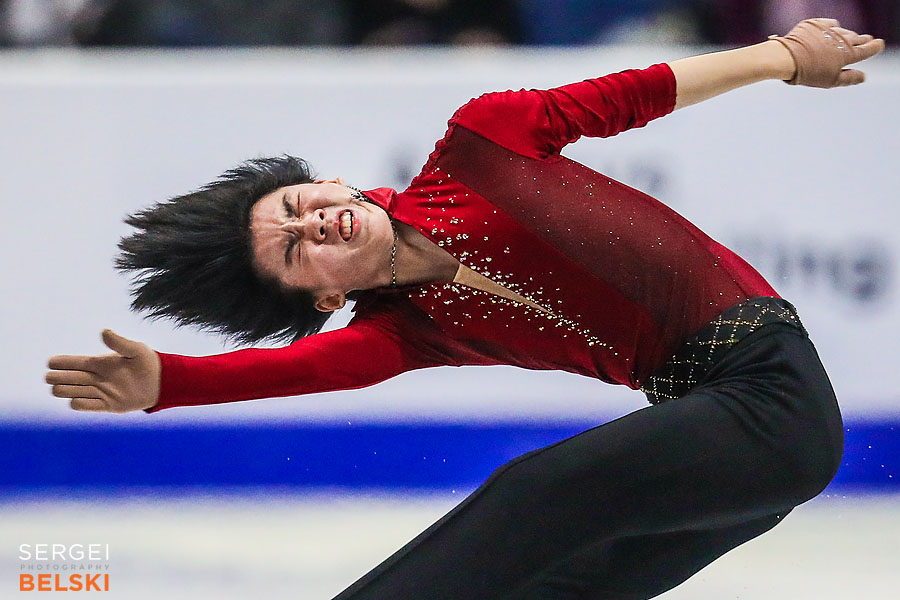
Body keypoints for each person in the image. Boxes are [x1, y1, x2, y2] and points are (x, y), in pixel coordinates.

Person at [46, 18, 883, 600]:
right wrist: (168, 382)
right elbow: (293, 369)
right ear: (323, 294)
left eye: (301, 202)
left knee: (529, 494)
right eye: (298, 249)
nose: (317, 222)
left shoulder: (482, 144)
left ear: (330, 180)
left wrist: (782, 55)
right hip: (734, 447)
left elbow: (640, 91)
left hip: (773, 401)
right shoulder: (409, 332)